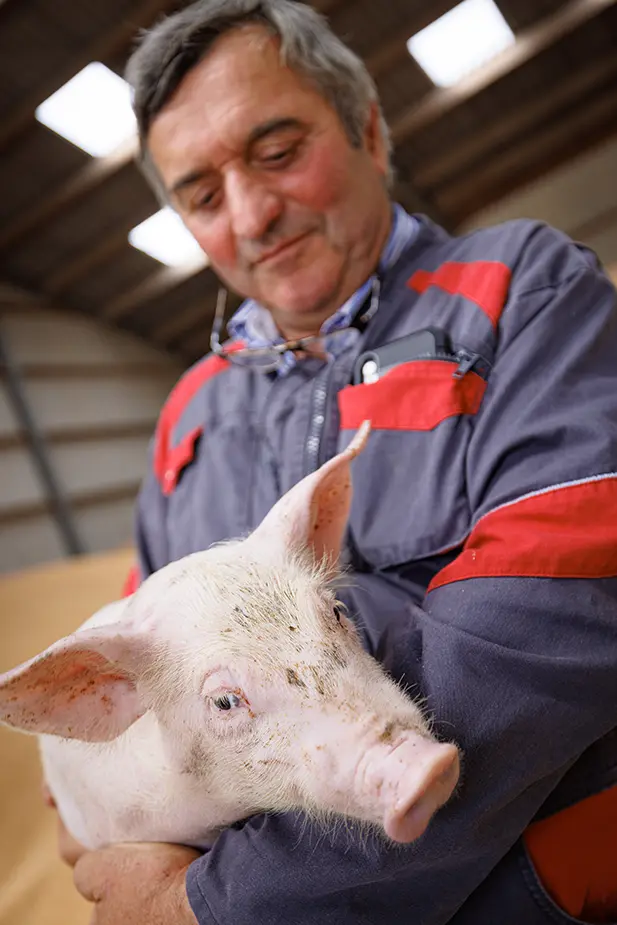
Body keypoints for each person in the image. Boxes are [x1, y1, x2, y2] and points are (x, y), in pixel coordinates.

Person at [53, 1, 617, 922]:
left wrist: (215, 902)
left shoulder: (520, 290)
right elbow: (148, 677)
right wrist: (98, 819)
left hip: (533, 897)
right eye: (202, 195)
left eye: (277, 151)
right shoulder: (187, 417)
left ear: (366, 129)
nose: (252, 212)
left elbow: (552, 629)